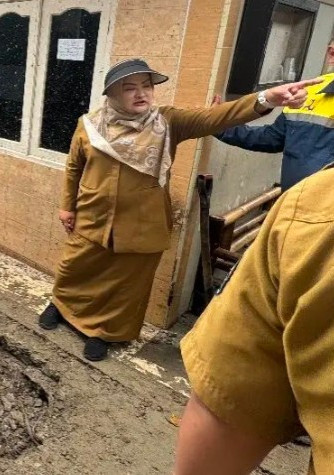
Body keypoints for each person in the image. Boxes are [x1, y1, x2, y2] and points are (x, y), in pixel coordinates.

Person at [37, 58, 320, 362]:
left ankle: (104, 331)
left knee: (126, 283)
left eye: (146, 86)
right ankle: (62, 306)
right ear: (112, 95)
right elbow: (74, 166)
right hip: (93, 214)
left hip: (143, 222)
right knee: (76, 267)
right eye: (129, 88)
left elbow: (213, 118)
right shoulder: (89, 126)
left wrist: (266, 99)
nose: (141, 93)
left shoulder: (167, 122)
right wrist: (67, 206)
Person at [174, 165, 334, 474]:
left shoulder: (315, 209)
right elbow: (234, 393)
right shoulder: (313, 209)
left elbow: (230, 396)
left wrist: (251, 112)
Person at [212, 38, 334, 190]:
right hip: (293, 205)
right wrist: (218, 124)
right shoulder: (309, 93)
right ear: (332, 54)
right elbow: (271, 138)